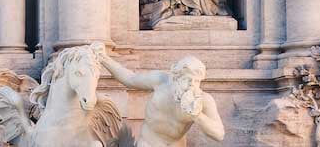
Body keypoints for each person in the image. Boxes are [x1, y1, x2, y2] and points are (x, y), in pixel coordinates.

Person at [96, 51, 225, 147]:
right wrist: (104, 58)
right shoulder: (160, 81)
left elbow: (219, 134)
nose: (192, 85)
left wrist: (196, 116)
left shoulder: (202, 100)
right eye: (187, 79)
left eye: (197, 81)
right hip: (148, 143)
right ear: (176, 77)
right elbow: (130, 79)